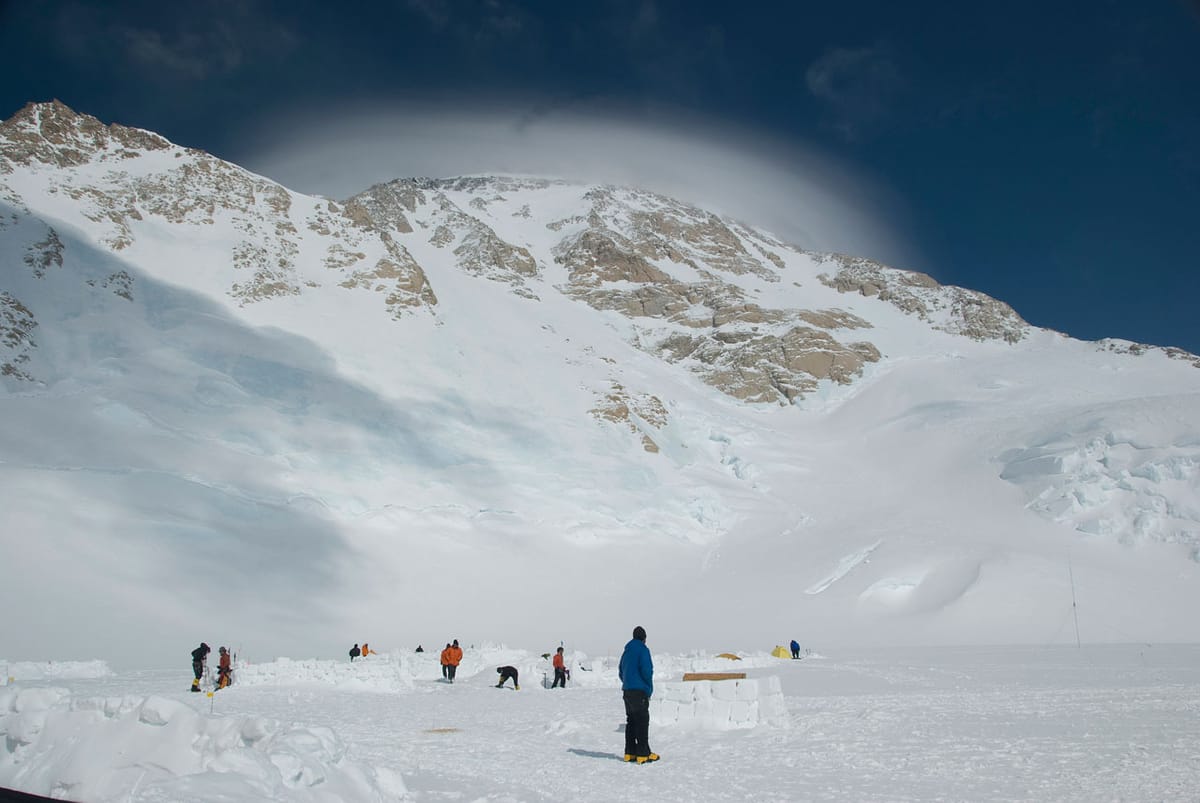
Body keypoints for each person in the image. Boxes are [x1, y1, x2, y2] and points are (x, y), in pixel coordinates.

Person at [619, 626, 658, 763]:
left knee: (631, 721)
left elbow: (620, 670)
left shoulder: (626, 651)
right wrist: (648, 687)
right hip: (639, 691)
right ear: (644, 638)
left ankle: (629, 753)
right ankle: (643, 753)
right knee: (642, 721)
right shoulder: (643, 650)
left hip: (627, 691)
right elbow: (647, 670)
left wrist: (628, 682)